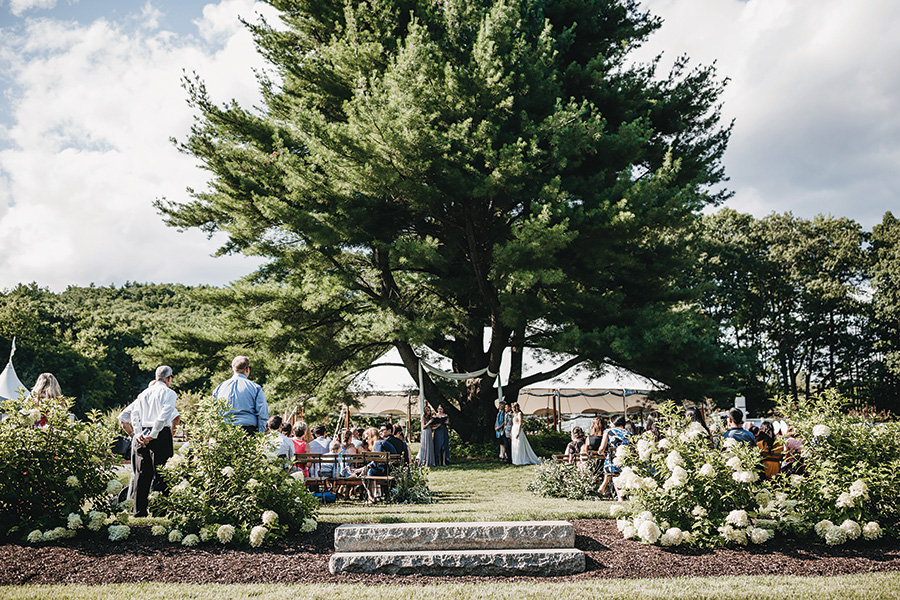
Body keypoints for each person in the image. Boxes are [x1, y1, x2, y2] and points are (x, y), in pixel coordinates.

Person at [130, 366, 178, 517]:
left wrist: (138, 433)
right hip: (160, 433)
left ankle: (139, 511)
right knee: (162, 473)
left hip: (142, 431)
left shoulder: (143, 393)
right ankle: (159, 511)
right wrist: (153, 434)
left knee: (141, 473)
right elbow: (164, 415)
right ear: (169, 378)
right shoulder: (170, 393)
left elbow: (134, 414)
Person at [213, 356, 268, 435]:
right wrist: (261, 433)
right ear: (247, 369)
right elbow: (262, 413)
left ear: (233, 369)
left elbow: (213, 411)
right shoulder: (255, 388)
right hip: (248, 430)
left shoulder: (219, 388)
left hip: (226, 430)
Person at [598, 414, 630, 498]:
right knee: (615, 472)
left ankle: (619, 496)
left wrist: (600, 452)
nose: (610, 424)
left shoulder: (608, 431)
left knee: (612, 472)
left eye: (611, 422)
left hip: (612, 462)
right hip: (626, 462)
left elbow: (602, 447)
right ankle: (620, 495)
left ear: (615, 422)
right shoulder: (629, 433)